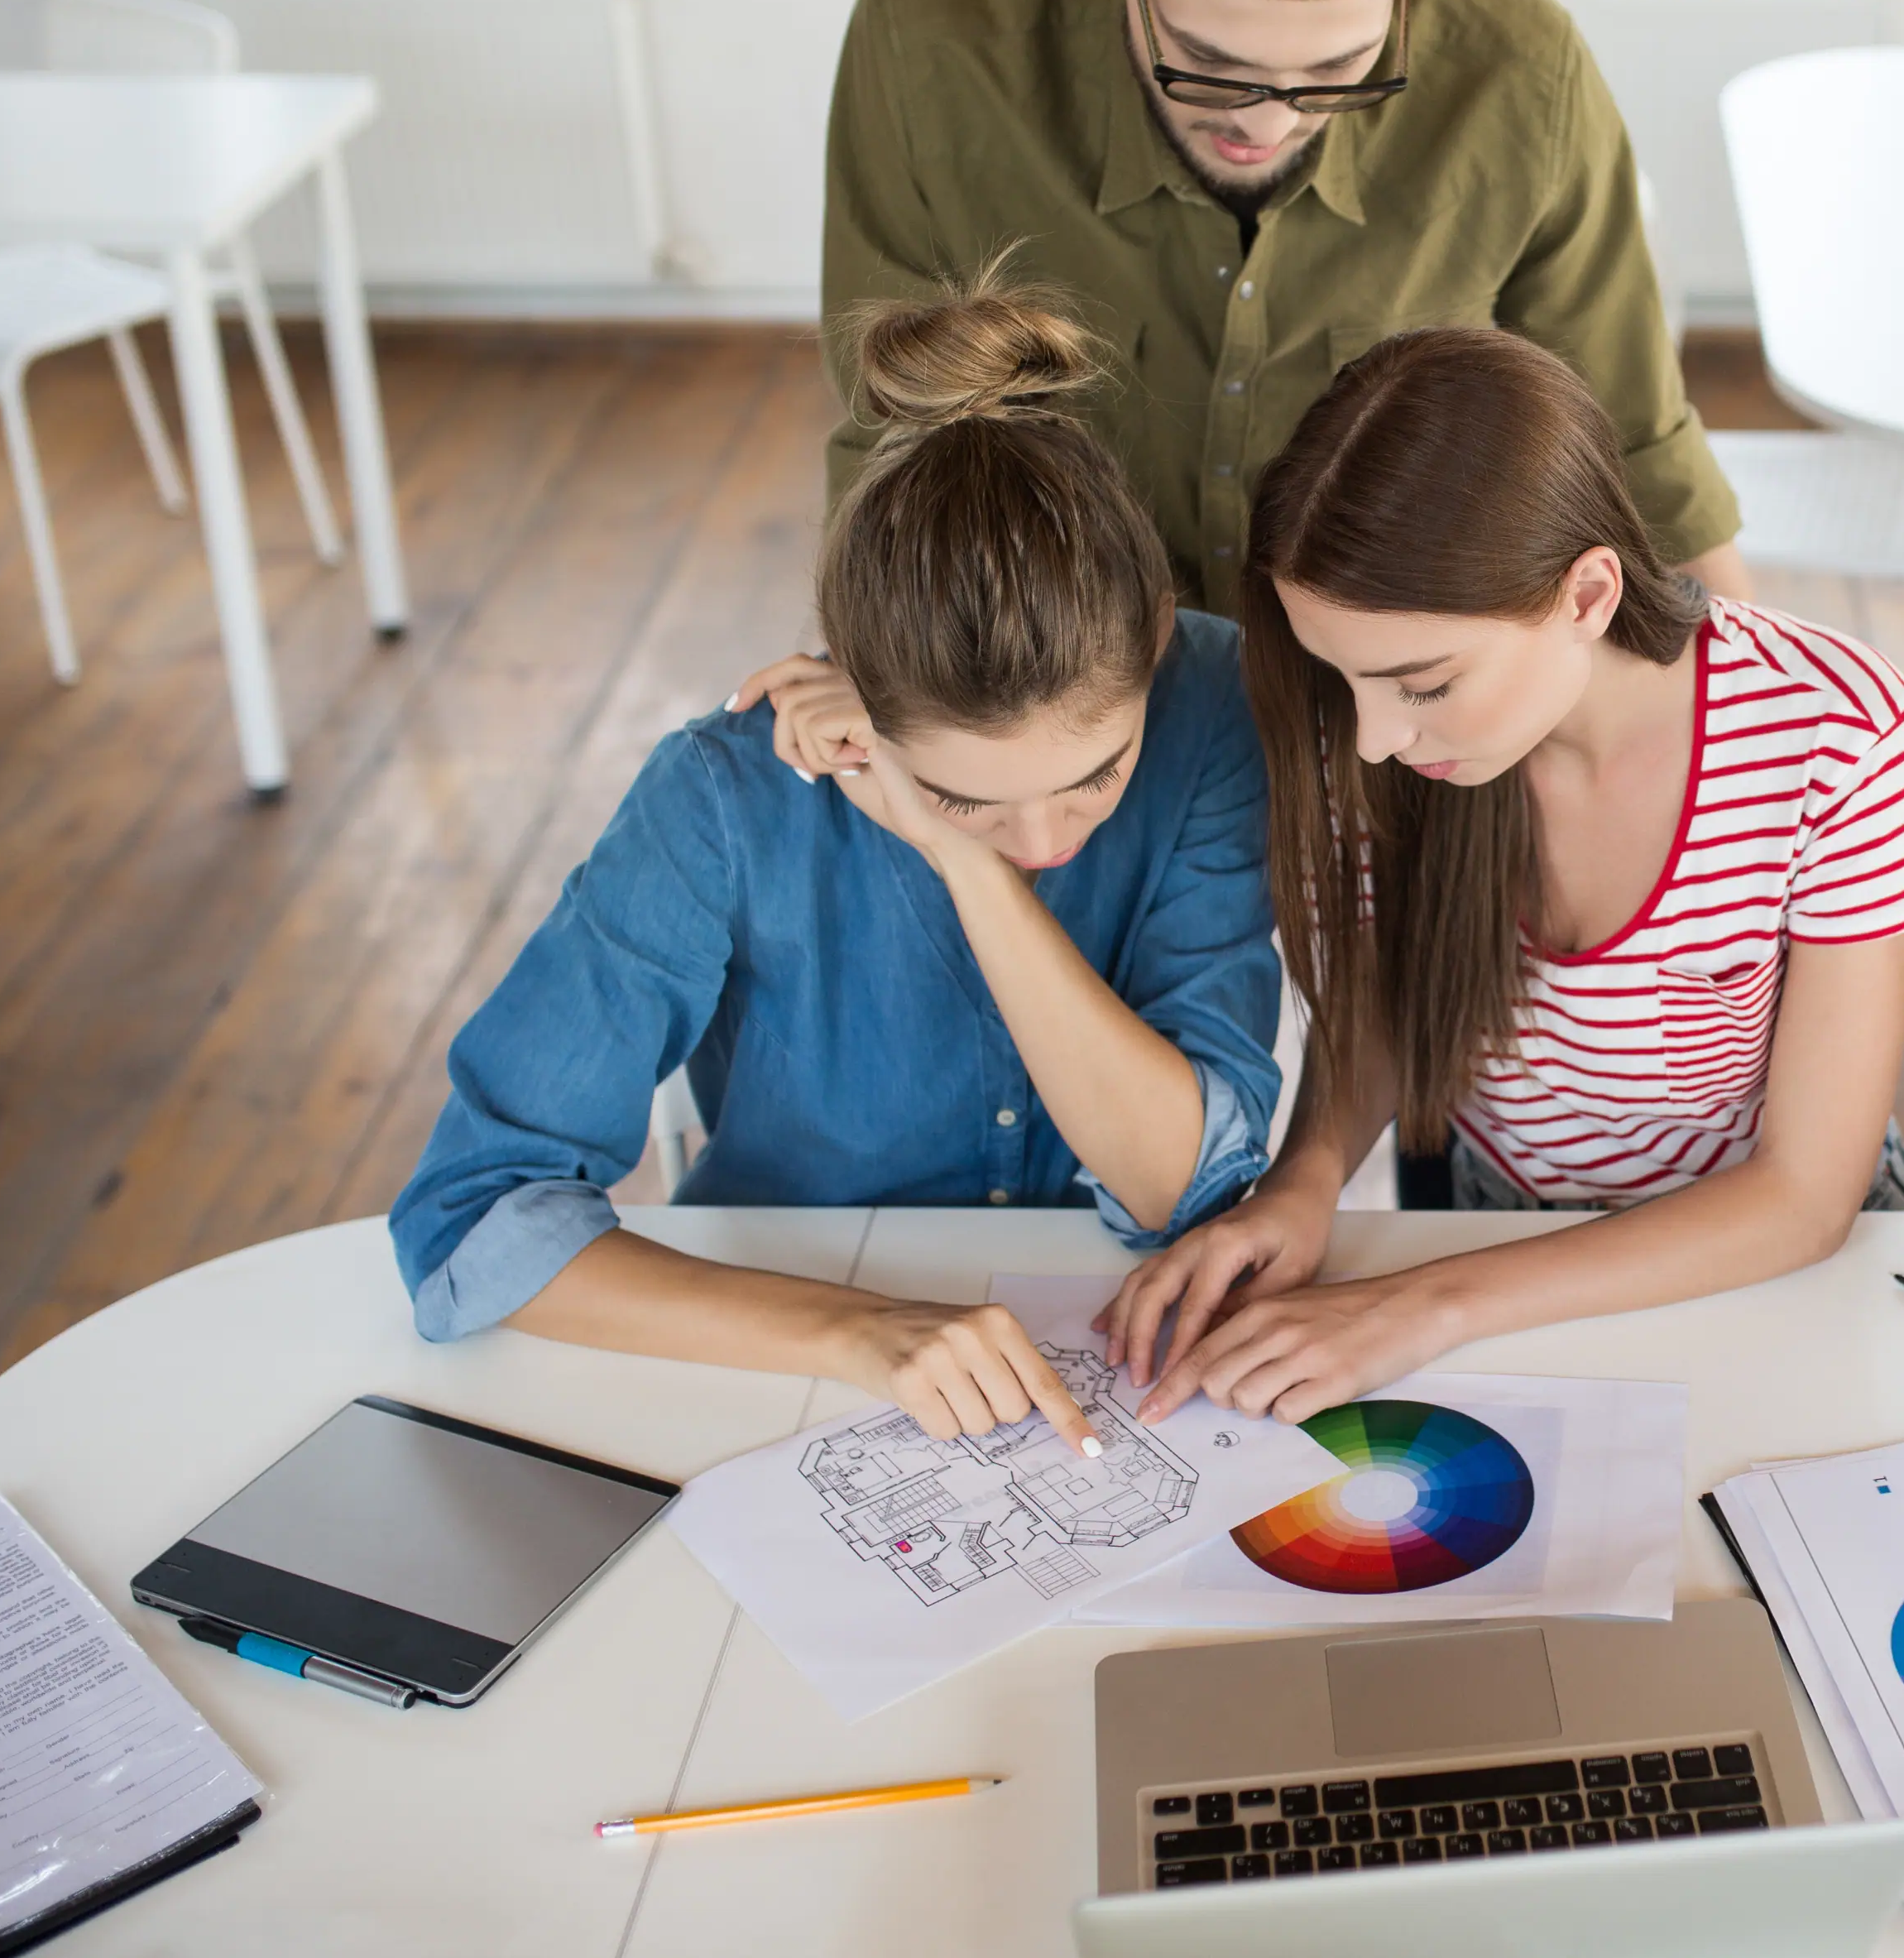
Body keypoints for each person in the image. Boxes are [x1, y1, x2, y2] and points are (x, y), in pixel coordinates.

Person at [388, 273, 1283, 1451]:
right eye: (971, 794)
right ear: (866, 695)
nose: (1051, 839)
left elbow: (1185, 1184)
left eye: (1097, 773)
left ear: (1159, 638)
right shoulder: (723, 789)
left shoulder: (1210, 701)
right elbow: (470, 1221)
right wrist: (853, 1332)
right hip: (778, 1368)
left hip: (1126, 1372)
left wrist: (961, 858)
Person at [1097, 327, 1904, 1425]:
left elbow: (1803, 1199)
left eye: (1422, 681)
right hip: (1506, 1235)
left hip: (1785, 1268)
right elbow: (1397, 1005)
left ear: (1587, 594)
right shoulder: (1404, 742)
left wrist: (1418, 1306)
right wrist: (1304, 1180)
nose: (1379, 737)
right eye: (1346, 681)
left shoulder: (1832, 735)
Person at [818, 0, 1747, 612]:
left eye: (1340, 68)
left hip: (1395, 693)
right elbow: (893, 444)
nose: (1265, 126)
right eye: (1209, 68)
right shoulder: (924, 34)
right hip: (1062, 695)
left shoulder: (1524, 69)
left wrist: (1759, 703)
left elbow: (1630, 453)